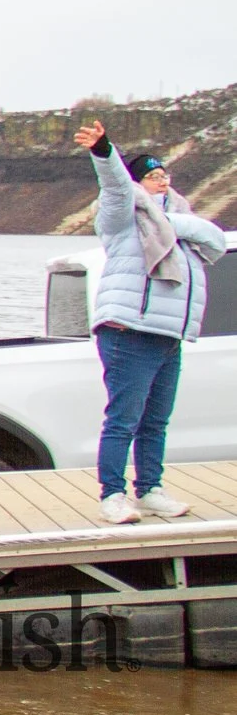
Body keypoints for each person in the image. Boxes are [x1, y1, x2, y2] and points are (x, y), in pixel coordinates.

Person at [73, 119, 228, 523]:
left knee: (156, 420)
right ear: (138, 182)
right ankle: (112, 495)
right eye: (153, 176)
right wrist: (103, 151)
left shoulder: (179, 222)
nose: (162, 181)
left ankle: (150, 489)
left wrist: (177, 224)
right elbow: (116, 186)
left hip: (167, 334)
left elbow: (214, 240)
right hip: (130, 330)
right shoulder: (124, 218)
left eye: (165, 175)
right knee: (124, 418)